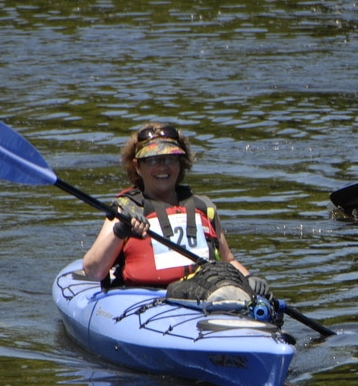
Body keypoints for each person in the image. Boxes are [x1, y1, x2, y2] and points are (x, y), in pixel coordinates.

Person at [81, 122, 271, 296]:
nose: (163, 167)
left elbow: (228, 261)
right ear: (138, 166)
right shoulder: (126, 210)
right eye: (153, 160)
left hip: (203, 293)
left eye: (170, 159)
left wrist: (249, 280)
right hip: (144, 298)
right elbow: (93, 271)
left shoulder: (203, 207)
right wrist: (121, 232)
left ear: (181, 163)